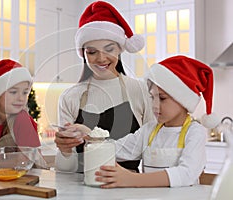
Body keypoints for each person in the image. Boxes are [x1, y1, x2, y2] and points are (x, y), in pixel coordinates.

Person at [89, 55, 220, 188]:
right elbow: (118, 149)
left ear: (183, 101)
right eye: (152, 97)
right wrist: (89, 138)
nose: (155, 105)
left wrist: (132, 179)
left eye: (162, 98)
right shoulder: (149, 130)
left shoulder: (194, 132)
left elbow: (186, 174)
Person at [54, 1, 155, 173]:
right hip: (83, 192)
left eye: (109, 49)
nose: (101, 58)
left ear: (120, 50)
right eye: (92, 52)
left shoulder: (140, 90)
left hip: (128, 191)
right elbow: (66, 172)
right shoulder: (70, 97)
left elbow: (152, 152)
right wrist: (64, 151)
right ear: (84, 54)